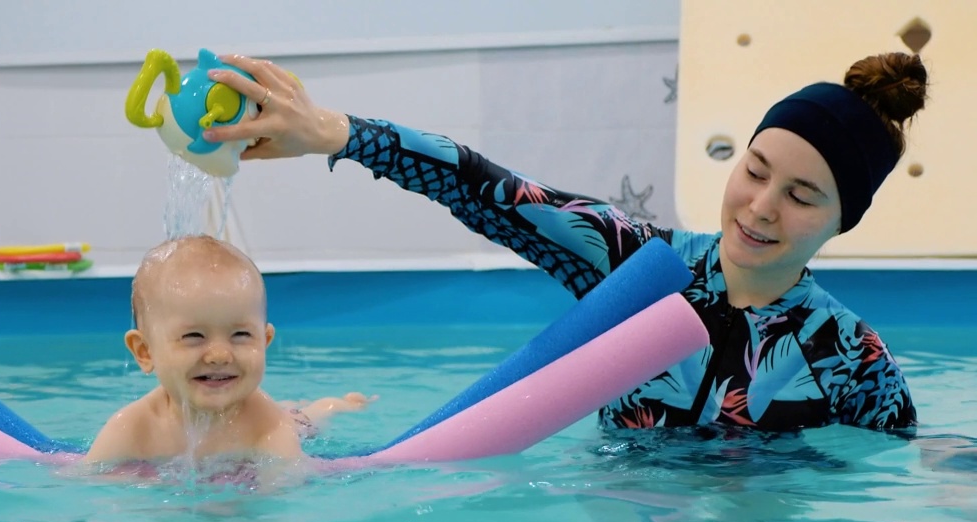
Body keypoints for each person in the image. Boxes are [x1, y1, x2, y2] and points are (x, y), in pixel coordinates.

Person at [201, 51, 927, 432]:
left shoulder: (850, 356)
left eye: (801, 196)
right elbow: (490, 189)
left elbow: (900, 467)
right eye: (755, 171)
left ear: (841, 220)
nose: (760, 208)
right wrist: (338, 134)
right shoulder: (641, 264)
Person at [84, 234, 372, 466]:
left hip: (289, 422)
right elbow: (92, 489)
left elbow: (285, 492)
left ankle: (333, 405)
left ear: (264, 341)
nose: (220, 355)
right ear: (145, 352)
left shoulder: (268, 427)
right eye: (194, 335)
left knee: (305, 420)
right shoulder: (133, 429)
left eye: (241, 334)